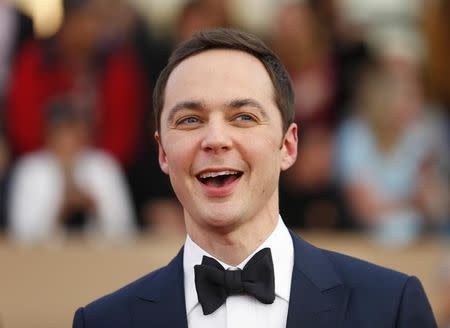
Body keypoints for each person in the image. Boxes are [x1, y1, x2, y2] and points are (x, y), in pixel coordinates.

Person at [72, 28, 437, 327]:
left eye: (243, 117)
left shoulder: (391, 309)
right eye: (190, 120)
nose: (215, 139)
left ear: (288, 145)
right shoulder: (105, 322)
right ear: (163, 152)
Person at [8, 97, 136, 244]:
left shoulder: (104, 166)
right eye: (61, 130)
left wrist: (93, 206)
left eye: (73, 129)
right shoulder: (30, 170)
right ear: (48, 133)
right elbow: (19, 234)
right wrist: (60, 210)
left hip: (98, 260)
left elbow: (126, 228)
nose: (68, 138)